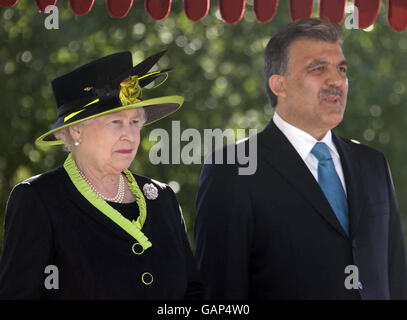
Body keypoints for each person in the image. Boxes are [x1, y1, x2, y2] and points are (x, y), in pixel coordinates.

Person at [194, 18, 407, 299]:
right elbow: (220, 294)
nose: (336, 81)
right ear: (279, 85)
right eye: (318, 69)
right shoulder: (232, 169)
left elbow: (396, 278)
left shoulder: (372, 164)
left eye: (341, 69)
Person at [0, 50, 202, 299]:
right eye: (115, 122)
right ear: (76, 131)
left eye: (135, 122)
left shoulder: (162, 198)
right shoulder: (38, 200)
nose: (129, 134)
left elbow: (192, 293)